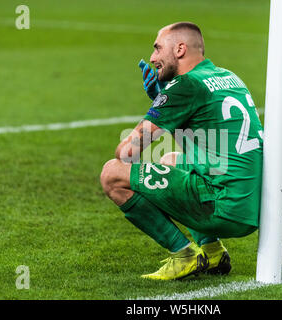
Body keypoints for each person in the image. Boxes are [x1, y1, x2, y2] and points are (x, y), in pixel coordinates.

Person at [100, 22, 263, 280]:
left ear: (179, 49)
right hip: (251, 206)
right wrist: (168, 108)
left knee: (111, 173)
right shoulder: (228, 76)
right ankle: (213, 250)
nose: (153, 58)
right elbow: (200, 142)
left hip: (222, 206)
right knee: (171, 159)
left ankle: (183, 255)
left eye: (157, 48)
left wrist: (160, 106)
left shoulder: (185, 85)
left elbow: (127, 153)